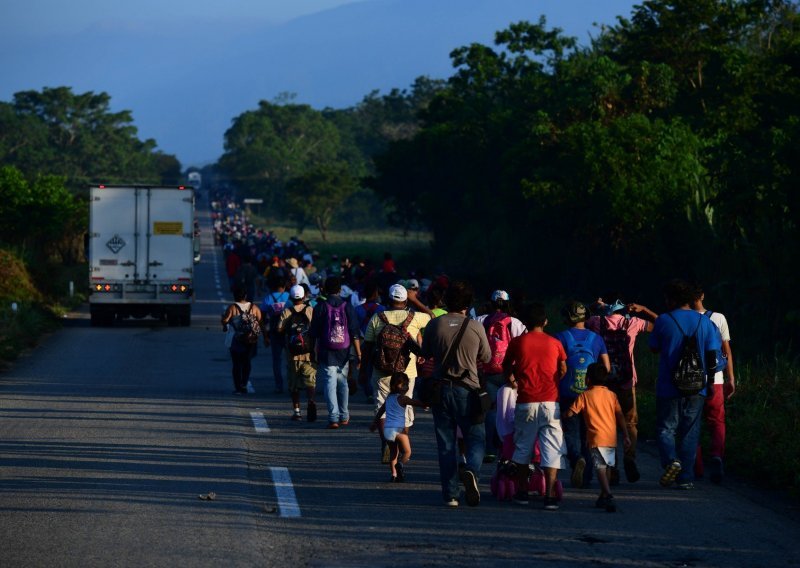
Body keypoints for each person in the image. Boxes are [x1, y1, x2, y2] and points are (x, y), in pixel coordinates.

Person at [420, 280, 491, 507]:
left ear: (445, 301)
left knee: (446, 443)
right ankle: (471, 470)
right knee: (476, 438)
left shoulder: (435, 325)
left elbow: (427, 353)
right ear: (468, 303)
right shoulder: (476, 326)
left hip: (441, 390)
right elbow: (487, 357)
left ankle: (451, 495)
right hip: (469, 390)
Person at [649, 279, 722, 490]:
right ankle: (686, 478)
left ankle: (672, 461)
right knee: (690, 430)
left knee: (666, 428)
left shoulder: (664, 320)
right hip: (697, 384)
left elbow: (654, 347)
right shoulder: (705, 322)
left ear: (671, 300)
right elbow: (712, 356)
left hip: (668, 385)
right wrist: (708, 383)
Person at [502, 302, 567, 511]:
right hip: (551, 402)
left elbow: (506, 366)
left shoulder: (518, 342)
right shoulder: (555, 342)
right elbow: (563, 368)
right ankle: (549, 496)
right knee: (551, 449)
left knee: (523, 448)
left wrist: (514, 379)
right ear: (545, 321)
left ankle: (522, 492)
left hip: (526, 401)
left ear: (525, 323)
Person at [586, 296, 656, 483]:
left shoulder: (596, 322)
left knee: (607, 426)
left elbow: (577, 319)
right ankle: (630, 457)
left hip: (603, 383)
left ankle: (612, 468)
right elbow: (661, 325)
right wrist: (643, 309)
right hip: (626, 382)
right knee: (630, 424)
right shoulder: (632, 322)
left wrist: (594, 306)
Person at [361, 284, 430, 462]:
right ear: (405, 300)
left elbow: (367, 346)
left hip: (381, 371)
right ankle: (401, 445)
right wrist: (416, 300)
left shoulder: (377, 318)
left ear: (389, 300)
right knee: (404, 409)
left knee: (382, 408)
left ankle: (387, 443)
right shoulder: (415, 317)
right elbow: (433, 316)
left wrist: (363, 371)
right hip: (406, 372)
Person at [554, 301, 610, 489]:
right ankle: (586, 478)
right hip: (590, 394)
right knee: (588, 434)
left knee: (570, 431)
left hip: (567, 392)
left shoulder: (560, 337)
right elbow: (606, 368)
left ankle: (576, 458)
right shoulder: (596, 339)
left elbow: (557, 368)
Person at [564, 363, 631, 512]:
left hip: (595, 437)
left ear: (587, 379)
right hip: (610, 437)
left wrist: (563, 415)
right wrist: (626, 435)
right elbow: (620, 415)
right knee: (606, 466)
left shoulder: (585, 395)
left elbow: (571, 413)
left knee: (599, 467)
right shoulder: (611, 395)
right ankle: (603, 496)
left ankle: (608, 494)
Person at [476, 290, 528, 463]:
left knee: (491, 410)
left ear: (490, 303)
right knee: (510, 409)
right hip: (509, 373)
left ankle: (490, 449)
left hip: (488, 372)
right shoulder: (515, 322)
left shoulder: (481, 320)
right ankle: (509, 447)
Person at [692, 283, 735, 483]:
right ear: (702, 295)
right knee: (716, 421)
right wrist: (731, 378)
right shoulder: (718, 318)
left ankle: (696, 464)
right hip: (716, 379)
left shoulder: (684, 319)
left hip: (691, 380)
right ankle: (717, 456)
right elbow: (726, 351)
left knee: (693, 423)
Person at [310, 276, 362, 429]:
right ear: (340, 289)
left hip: (326, 350)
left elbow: (314, 333)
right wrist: (358, 353)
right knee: (343, 382)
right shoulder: (347, 306)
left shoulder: (320, 306)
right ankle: (344, 415)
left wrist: (313, 351)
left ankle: (333, 417)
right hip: (344, 350)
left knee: (329, 383)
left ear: (325, 290)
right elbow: (354, 332)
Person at [370, 372, 429, 482]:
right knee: (407, 452)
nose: (406, 387)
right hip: (399, 431)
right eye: (403, 385)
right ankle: (401, 464)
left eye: (407, 384)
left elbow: (380, 412)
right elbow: (415, 402)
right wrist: (424, 404)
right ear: (394, 386)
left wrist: (374, 423)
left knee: (393, 453)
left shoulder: (388, 399)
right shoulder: (403, 399)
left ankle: (394, 475)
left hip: (387, 431)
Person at [278, 285, 317, 422]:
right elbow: (316, 330)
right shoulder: (310, 310)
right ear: (304, 296)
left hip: (292, 355)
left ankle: (297, 412)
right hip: (309, 353)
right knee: (310, 382)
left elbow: (279, 329)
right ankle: (311, 400)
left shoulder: (287, 312)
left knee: (293, 384)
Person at [221, 286, 264, 394]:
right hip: (250, 340)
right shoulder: (254, 308)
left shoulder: (232, 308)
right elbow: (261, 322)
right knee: (247, 362)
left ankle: (237, 387)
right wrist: (266, 337)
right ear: (245, 296)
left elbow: (225, 321)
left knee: (236, 364)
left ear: (234, 296)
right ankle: (244, 384)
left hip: (236, 339)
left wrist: (224, 321)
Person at [261, 276, 290, 393]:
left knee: (276, 360)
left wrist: (265, 335)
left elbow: (262, 318)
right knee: (291, 359)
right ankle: (293, 383)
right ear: (284, 286)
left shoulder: (268, 298)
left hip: (274, 332)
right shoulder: (288, 297)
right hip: (288, 332)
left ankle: (279, 385)